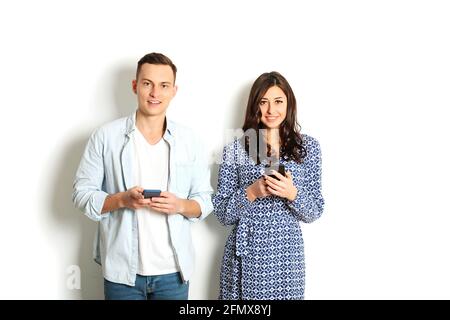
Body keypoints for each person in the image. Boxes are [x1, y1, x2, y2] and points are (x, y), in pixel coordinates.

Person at [72, 52, 213, 300]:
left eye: (164, 86)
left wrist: (180, 205)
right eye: (147, 84)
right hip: (122, 274)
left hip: (174, 274)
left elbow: (205, 200)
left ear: (174, 91)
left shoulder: (190, 141)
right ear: (135, 86)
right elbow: (81, 193)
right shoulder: (105, 137)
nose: (155, 93)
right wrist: (121, 201)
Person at [213, 71, 324, 300]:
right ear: (254, 106)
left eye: (278, 101)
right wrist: (252, 192)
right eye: (263, 102)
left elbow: (314, 211)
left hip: (286, 258)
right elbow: (222, 215)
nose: (271, 110)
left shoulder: (308, 148)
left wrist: (292, 194)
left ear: (289, 103)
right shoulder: (235, 150)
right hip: (246, 253)